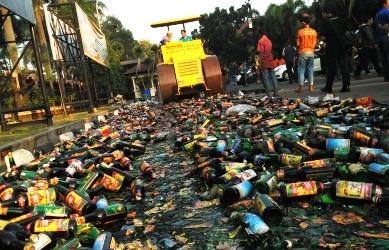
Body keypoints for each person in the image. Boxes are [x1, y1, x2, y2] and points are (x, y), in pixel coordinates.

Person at [319, 4, 351, 93]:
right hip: (342, 47)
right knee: (344, 67)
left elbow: (323, 37)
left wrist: (326, 39)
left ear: (325, 13)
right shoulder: (341, 20)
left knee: (331, 68)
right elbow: (347, 33)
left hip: (331, 48)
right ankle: (346, 85)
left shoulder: (325, 22)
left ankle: (329, 87)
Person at [354, 15, 383, 80]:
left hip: (366, 46)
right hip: (368, 46)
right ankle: (356, 73)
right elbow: (369, 36)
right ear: (368, 20)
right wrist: (374, 43)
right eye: (371, 19)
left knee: (370, 60)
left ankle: (380, 72)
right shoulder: (366, 27)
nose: (372, 20)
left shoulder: (362, 27)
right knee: (372, 60)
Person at [295, 15, 317, 93]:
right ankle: (311, 87)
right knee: (310, 69)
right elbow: (315, 43)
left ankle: (301, 87)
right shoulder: (314, 32)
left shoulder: (300, 31)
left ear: (304, 23)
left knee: (301, 70)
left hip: (303, 52)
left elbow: (297, 44)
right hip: (311, 52)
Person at [257, 28, 278, 97]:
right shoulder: (269, 41)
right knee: (273, 76)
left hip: (264, 61)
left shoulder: (261, 41)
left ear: (260, 34)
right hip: (270, 60)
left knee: (265, 77)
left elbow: (261, 53)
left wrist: (259, 63)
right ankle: (276, 92)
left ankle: (269, 94)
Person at [375, 0, 389, 82]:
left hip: (379, 38)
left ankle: (386, 76)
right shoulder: (386, 11)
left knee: (383, 58)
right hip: (386, 37)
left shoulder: (376, 14)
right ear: (384, 4)